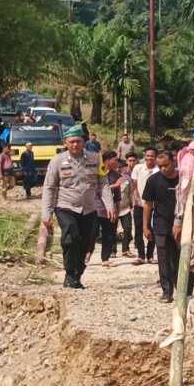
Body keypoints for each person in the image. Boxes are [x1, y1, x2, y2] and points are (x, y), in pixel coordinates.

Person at [41, 124, 115, 289]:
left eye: (79, 141)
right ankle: (68, 274)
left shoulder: (95, 159)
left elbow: (103, 183)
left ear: (84, 142)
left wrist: (109, 205)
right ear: (65, 143)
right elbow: (49, 187)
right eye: (72, 141)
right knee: (71, 237)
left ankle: (77, 275)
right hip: (65, 206)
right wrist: (46, 213)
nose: (75, 145)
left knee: (85, 243)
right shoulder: (57, 161)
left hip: (88, 209)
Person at [142, 150, 193, 303]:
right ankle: (166, 291)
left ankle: (182, 290)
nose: (164, 169)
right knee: (163, 258)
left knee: (179, 258)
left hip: (182, 225)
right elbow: (148, 204)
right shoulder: (153, 180)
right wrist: (145, 227)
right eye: (161, 166)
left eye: (166, 165)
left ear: (174, 162)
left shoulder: (183, 179)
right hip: (160, 225)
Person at [131, 147, 158, 265]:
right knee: (138, 230)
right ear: (144, 156)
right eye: (147, 156)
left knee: (152, 229)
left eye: (152, 156)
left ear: (156, 157)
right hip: (139, 205)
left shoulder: (158, 170)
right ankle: (141, 255)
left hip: (153, 206)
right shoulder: (138, 168)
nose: (149, 158)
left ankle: (150, 255)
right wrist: (136, 198)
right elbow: (134, 185)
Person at [95, 151, 122, 268]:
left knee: (109, 234)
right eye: (115, 160)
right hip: (95, 207)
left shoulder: (116, 175)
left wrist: (117, 210)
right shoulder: (96, 172)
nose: (117, 163)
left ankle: (105, 258)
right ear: (107, 161)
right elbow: (97, 190)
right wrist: (114, 185)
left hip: (110, 209)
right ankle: (87, 252)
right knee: (92, 233)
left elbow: (117, 195)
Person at [117, 153, 138, 257]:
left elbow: (130, 192)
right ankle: (112, 251)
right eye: (115, 167)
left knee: (128, 228)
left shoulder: (126, 178)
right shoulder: (107, 178)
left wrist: (130, 203)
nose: (117, 169)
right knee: (111, 231)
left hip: (125, 208)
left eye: (119, 167)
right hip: (112, 209)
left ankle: (125, 249)